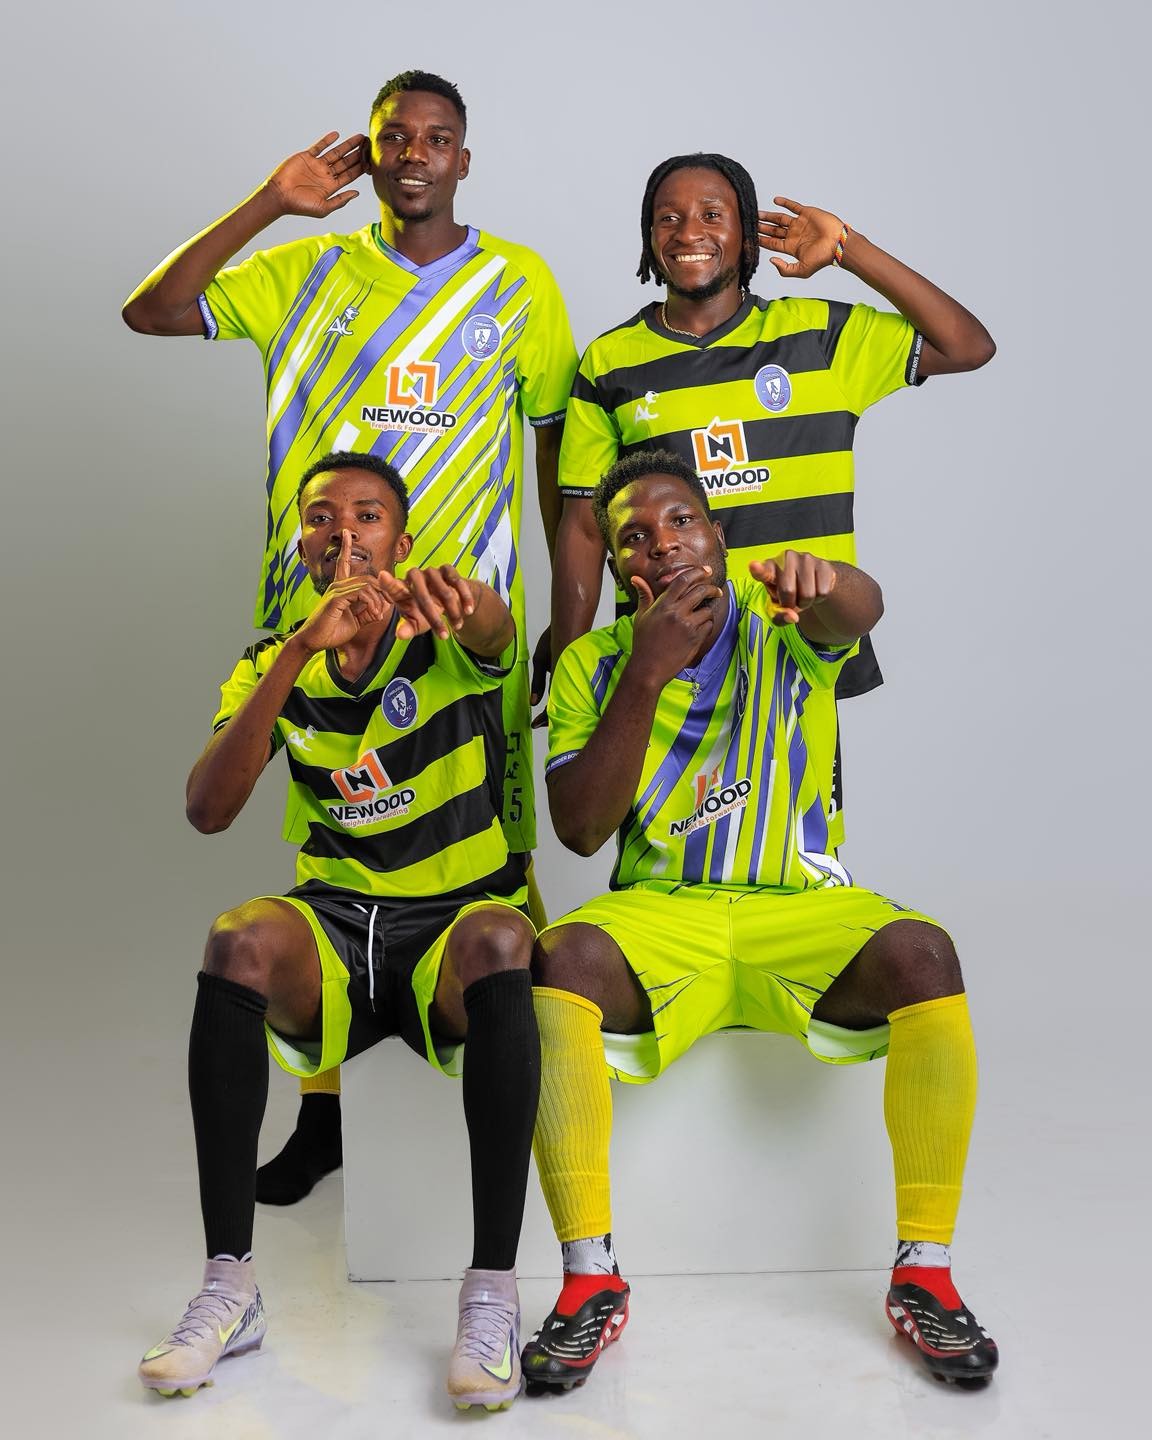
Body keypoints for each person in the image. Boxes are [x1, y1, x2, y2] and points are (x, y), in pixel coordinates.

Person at [123, 70, 577, 1202]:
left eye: (437, 138)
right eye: (393, 138)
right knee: (341, 847)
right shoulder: (308, 270)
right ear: (370, 156)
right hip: (317, 620)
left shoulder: (518, 283)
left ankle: (532, 1112)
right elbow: (154, 311)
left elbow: (559, 460)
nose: (414, 154)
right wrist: (267, 202)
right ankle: (327, 1116)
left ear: (465, 158)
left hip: (460, 628)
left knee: (495, 861)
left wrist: (568, 621)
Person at [521, 451, 998, 1393]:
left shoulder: (778, 616)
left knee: (924, 953)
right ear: (617, 569)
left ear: (717, 535)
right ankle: (589, 1278)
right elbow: (578, 830)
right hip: (663, 914)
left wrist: (831, 581)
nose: (662, 545)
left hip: (800, 907)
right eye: (633, 538)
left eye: (680, 522)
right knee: (560, 956)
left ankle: (927, 1272)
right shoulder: (590, 664)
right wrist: (645, 672)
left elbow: (859, 611)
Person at [138, 454, 540, 1411]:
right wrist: (294, 655)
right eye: (322, 517)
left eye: (367, 516)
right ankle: (230, 1289)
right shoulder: (272, 660)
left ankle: (491, 1296)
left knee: (502, 941)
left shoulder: (447, 629)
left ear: (401, 540)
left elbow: (497, 631)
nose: (344, 531)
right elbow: (206, 811)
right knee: (236, 939)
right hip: (337, 923)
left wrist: (470, 602)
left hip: (451, 920)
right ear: (304, 546)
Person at [549, 152, 995, 846]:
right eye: (667, 218)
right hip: (674, 651)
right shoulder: (611, 362)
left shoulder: (817, 337)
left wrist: (848, 247)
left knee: (794, 838)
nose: (688, 231)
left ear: (746, 235)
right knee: (671, 843)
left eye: (712, 214)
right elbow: (584, 526)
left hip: (795, 645)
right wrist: (573, 665)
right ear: (647, 237)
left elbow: (967, 345)